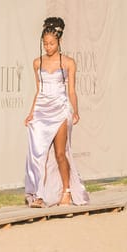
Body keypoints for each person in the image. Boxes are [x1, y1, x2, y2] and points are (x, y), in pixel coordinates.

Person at [24, 17, 89, 207]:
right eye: (45, 43)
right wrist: (31, 113)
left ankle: (67, 191)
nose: (48, 47)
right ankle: (38, 195)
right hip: (41, 111)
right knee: (38, 154)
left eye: (51, 43)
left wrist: (75, 111)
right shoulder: (37, 63)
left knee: (61, 153)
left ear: (59, 41)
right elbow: (39, 90)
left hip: (60, 109)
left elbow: (71, 91)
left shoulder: (68, 63)